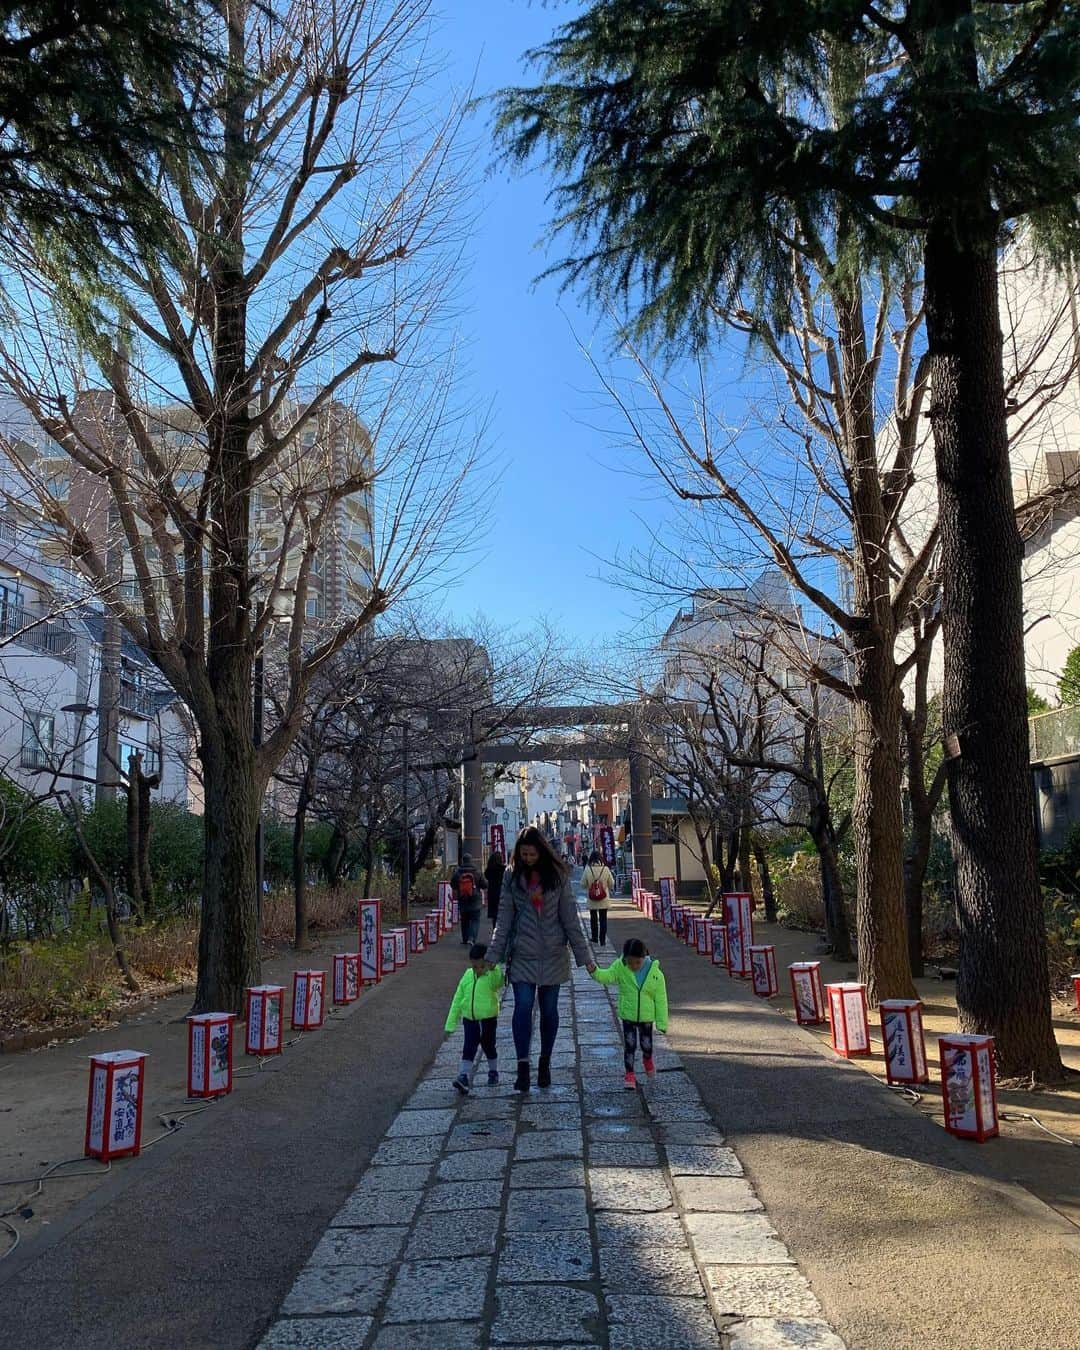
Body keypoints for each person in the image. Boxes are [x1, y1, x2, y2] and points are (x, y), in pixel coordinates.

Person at [486, 825, 596, 1092]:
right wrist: (492, 955)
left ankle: (545, 1061)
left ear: (541, 851)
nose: (528, 859)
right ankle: (523, 1066)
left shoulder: (557, 876)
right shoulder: (512, 876)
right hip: (522, 953)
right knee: (522, 1006)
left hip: (553, 954)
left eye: (532, 854)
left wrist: (586, 958)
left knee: (549, 1011)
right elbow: (504, 919)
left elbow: (570, 919)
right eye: (523, 854)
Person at [591, 937, 669, 1089]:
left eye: (637, 963)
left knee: (647, 1045)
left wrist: (662, 1022)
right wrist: (594, 971)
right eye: (630, 962)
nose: (633, 966)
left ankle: (647, 1059)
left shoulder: (655, 973)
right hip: (628, 1015)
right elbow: (607, 976)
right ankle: (630, 1073)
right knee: (630, 1045)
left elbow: (661, 999)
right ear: (625, 958)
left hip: (646, 1017)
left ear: (644, 958)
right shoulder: (620, 967)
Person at [444, 942, 504, 1094]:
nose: (477, 970)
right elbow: (458, 999)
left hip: (487, 1019)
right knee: (469, 1046)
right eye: (474, 966)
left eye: (480, 966)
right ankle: (463, 1076)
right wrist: (450, 1024)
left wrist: (494, 968)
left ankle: (493, 1071)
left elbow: (499, 982)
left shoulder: (491, 976)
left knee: (488, 1046)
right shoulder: (467, 976)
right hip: (469, 1019)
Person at [582, 849, 616, 948]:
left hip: (592, 898)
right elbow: (612, 883)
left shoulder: (588, 869)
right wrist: (605, 887)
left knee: (593, 918)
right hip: (603, 898)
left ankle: (594, 937)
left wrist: (590, 885)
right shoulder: (605, 869)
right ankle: (603, 940)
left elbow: (583, 884)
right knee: (603, 919)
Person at [451, 852, 487, 944]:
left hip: (463, 898)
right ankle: (472, 938)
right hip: (475, 899)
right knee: (475, 920)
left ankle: (465, 939)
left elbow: (453, 884)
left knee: (464, 920)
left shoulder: (458, 872)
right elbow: (484, 884)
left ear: (463, 860)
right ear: (471, 860)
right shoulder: (477, 871)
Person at [484, 849, 506, 930]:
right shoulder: (504, 870)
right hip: (503, 894)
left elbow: (486, 877)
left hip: (492, 895)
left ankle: (495, 932)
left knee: (495, 917)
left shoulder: (489, 871)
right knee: (504, 916)